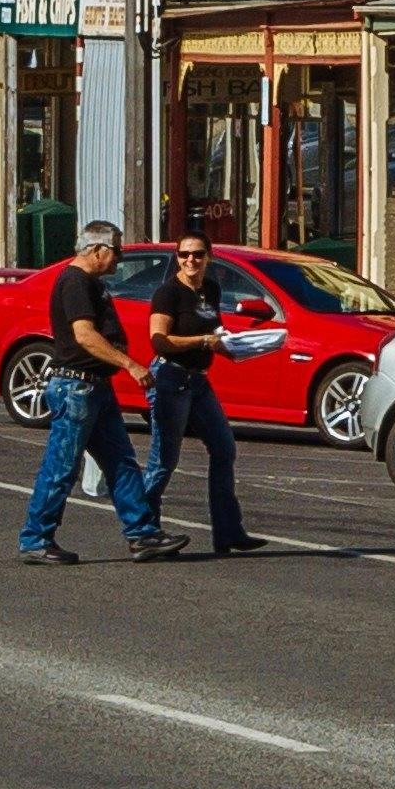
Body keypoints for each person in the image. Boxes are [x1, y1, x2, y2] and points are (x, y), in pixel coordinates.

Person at [19, 223, 178, 563]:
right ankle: (36, 538)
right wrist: (130, 365)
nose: (119, 258)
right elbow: (84, 336)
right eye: (116, 250)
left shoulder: (91, 283)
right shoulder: (75, 281)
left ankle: (143, 534)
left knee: (121, 463)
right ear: (97, 249)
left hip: (94, 387)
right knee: (61, 466)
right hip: (76, 387)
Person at [140, 231, 263, 556]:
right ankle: (143, 530)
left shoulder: (210, 289)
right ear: (177, 258)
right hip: (170, 378)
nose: (190, 260)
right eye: (184, 255)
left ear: (209, 256)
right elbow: (159, 340)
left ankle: (228, 532)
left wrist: (240, 347)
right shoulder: (168, 294)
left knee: (224, 448)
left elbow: (214, 333)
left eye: (197, 254)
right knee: (163, 460)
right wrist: (201, 342)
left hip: (198, 381)